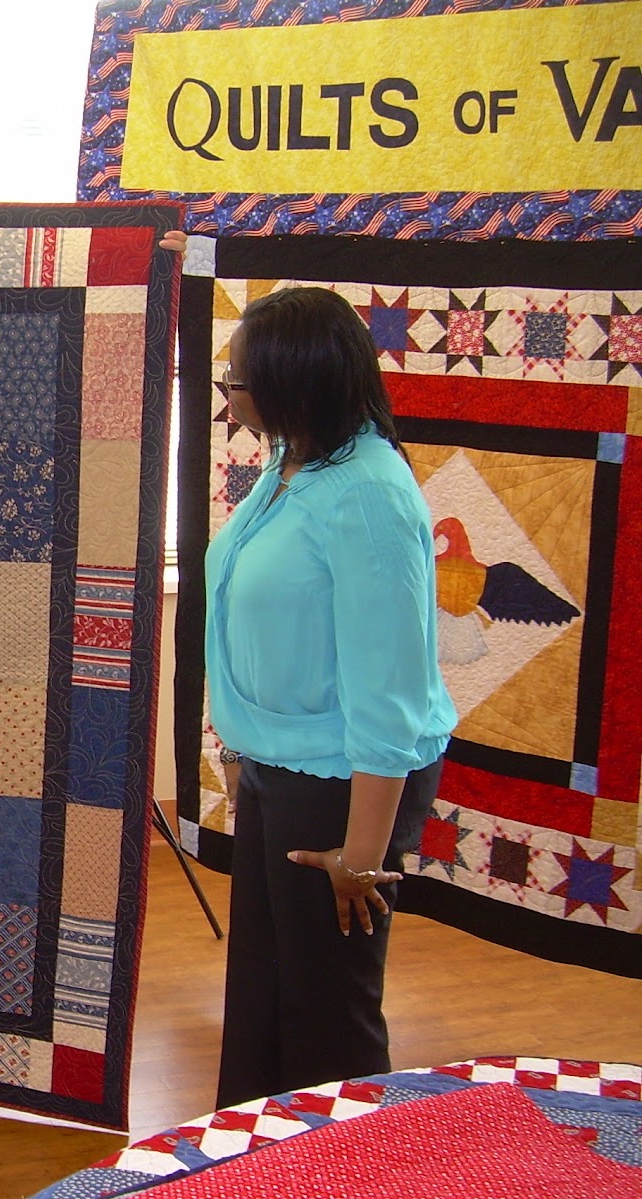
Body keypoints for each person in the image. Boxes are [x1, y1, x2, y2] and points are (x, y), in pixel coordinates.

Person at [203, 285, 457, 1110]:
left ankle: (348, 1162)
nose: (229, 394)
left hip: (345, 784)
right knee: (266, 987)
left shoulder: (369, 494)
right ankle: (259, 1155)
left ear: (296, 382)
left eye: (239, 381)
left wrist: (361, 857)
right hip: (284, 768)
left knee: (327, 1007)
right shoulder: (292, 463)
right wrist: (239, 747)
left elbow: (391, 691)